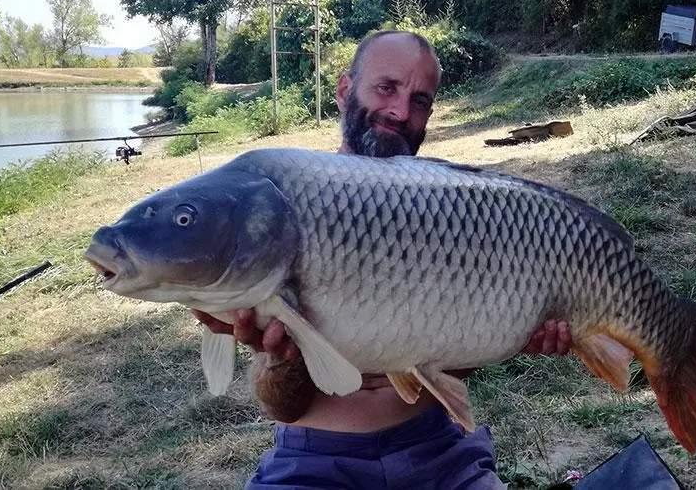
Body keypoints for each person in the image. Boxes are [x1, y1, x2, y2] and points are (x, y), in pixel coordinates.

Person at [192, 30, 572, 489]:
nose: (400, 112)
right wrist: (281, 353)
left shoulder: (448, 210)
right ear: (344, 89)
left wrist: (513, 332)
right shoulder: (284, 209)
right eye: (386, 88)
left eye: (420, 100)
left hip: (440, 452)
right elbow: (283, 407)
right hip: (315, 464)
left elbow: (451, 360)